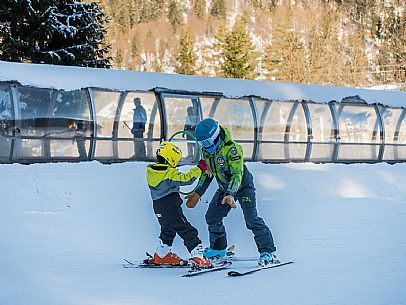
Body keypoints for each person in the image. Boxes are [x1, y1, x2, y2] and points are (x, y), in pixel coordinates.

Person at [185, 118, 278, 266]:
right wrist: (197, 193)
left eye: (207, 143)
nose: (205, 147)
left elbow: (237, 174)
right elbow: (207, 174)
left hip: (242, 187)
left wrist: (230, 193)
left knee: (251, 219)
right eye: (202, 144)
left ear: (215, 136)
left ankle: (268, 252)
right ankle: (218, 249)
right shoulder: (207, 152)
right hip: (225, 189)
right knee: (212, 217)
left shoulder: (233, 149)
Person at [146, 141, 212, 268]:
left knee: (168, 230)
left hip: (159, 208)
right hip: (171, 208)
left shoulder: (152, 172)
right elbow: (187, 178)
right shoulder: (169, 174)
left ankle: (161, 255)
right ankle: (198, 257)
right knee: (187, 230)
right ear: (171, 158)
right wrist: (200, 168)